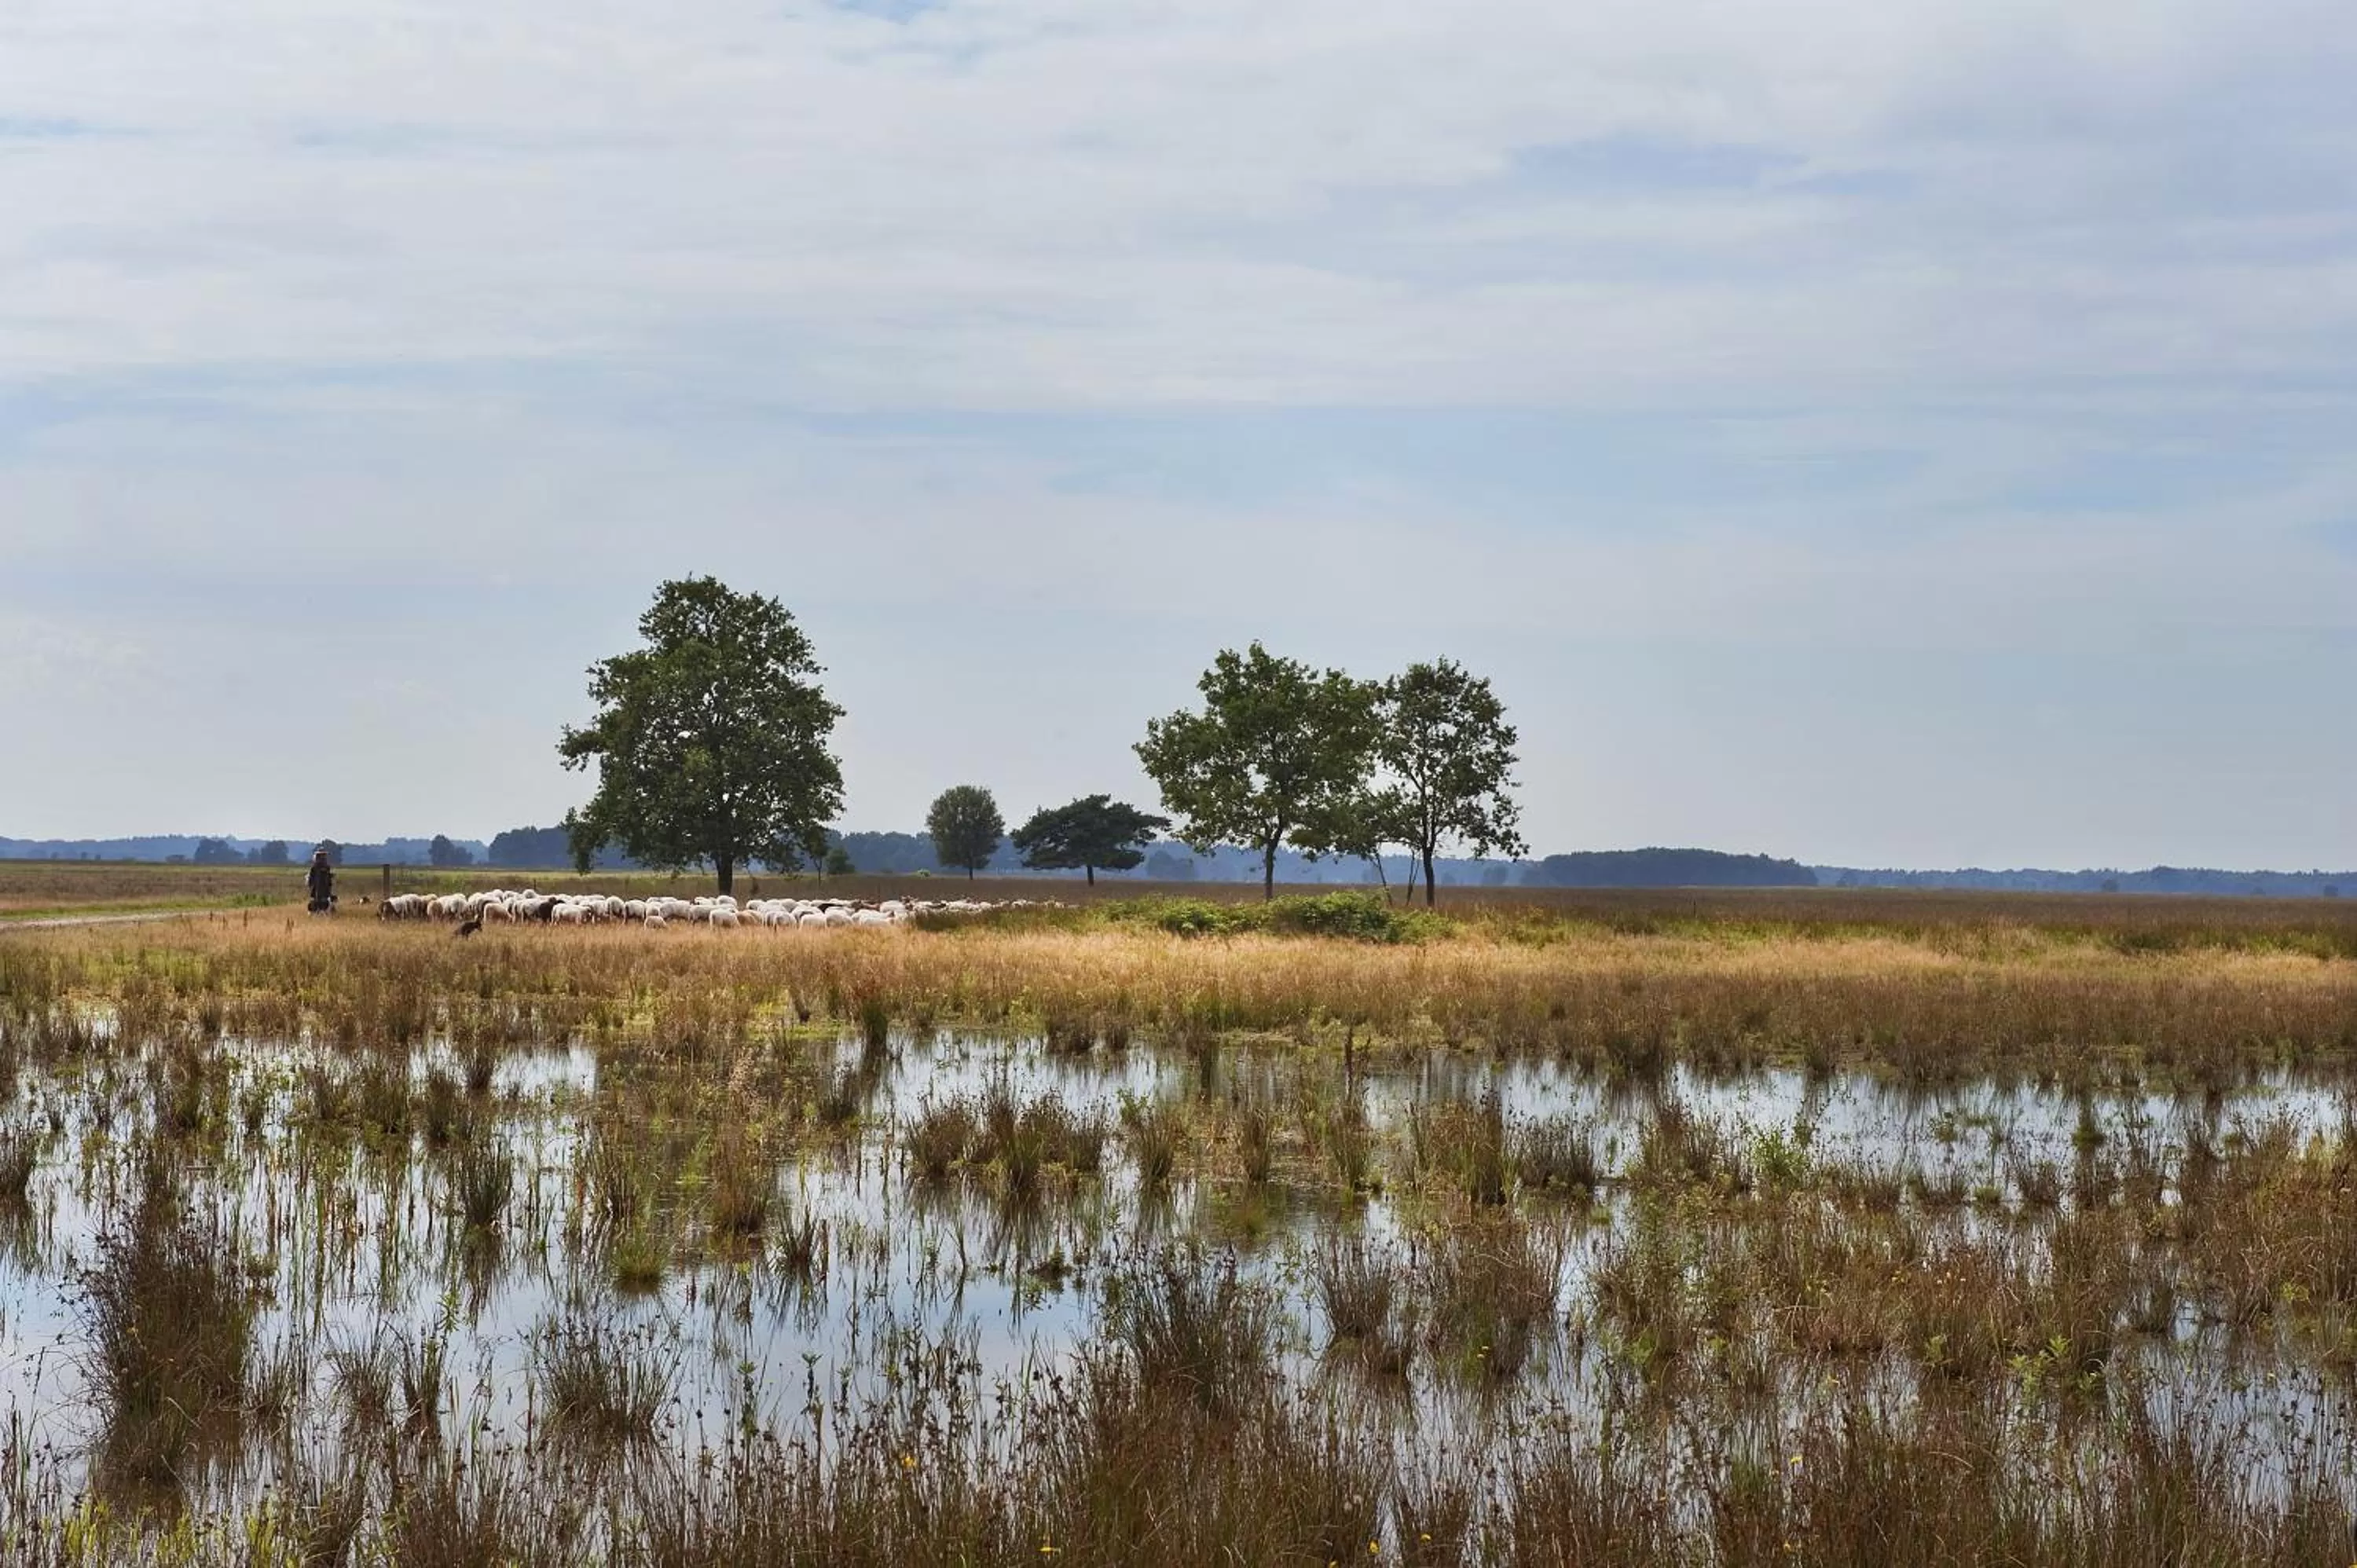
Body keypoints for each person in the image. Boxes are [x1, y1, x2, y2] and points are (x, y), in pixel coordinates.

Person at [306, 848, 336, 914]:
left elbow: (311, 878)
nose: (324, 857)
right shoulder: (322, 867)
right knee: (321, 902)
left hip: (320, 888)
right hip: (321, 888)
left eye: (324, 855)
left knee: (320, 901)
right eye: (322, 855)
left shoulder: (317, 867)